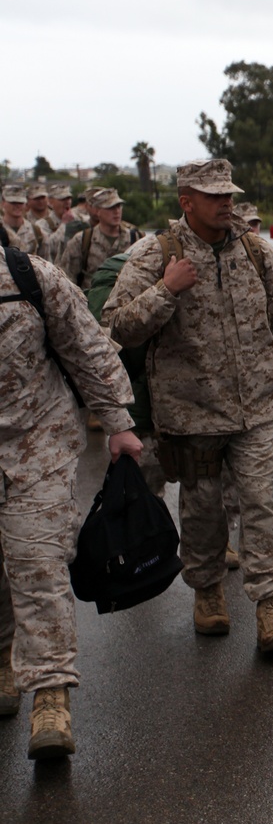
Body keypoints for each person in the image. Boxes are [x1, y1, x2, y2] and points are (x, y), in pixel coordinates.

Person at [105, 159, 273, 651]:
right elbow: (116, 326)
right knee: (203, 509)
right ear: (186, 201)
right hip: (191, 414)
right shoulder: (156, 254)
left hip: (257, 408)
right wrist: (166, 290)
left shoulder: (258, 252)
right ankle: (209, 590)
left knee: (261, 501)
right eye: (213, 195)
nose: (225, 203)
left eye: (229, 194)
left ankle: (270, 604)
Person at [0, 224, 143, 760]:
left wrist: (117, 422)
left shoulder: (29, 276)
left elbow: (87, 348)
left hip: (37, 443)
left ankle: (50, 697)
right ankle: (3, 662)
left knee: (38, 564)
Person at [60, 188, 143, 290]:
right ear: (98, 211)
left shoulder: (136, 238)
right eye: (110, 208)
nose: (116, 212)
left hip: (126, 302)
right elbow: (68, 278)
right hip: (92, 302)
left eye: (119, 206)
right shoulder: (82, 240)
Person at [2, 185, 48, 257]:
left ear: (26, 204)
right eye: (13, 202)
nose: (17, 206)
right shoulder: (1, 228)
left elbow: (46, 264)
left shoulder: (37, 233)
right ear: (3, 203)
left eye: (21, 202)